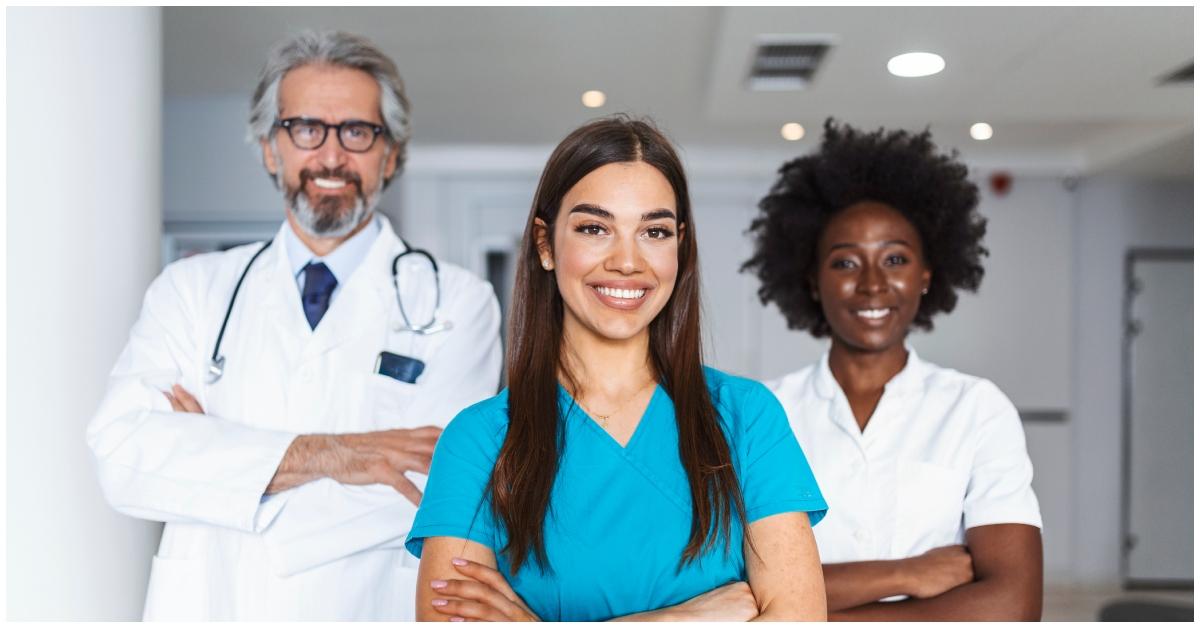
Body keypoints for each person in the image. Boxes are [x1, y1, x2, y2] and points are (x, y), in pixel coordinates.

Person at [86, 30, 502, 621]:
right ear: (269, 148)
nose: (331, 157)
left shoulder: (458, 303)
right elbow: (123, 459)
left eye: (357, 132)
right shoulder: (192, 290)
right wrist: (328, 454)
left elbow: (429, 492)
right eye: (305, 128)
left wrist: (215, 467)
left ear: (392, 153)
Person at [403, 116, 828, 622]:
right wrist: (678, 620)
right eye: (594, 228)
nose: (628, 261)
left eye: (654, 231)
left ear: (679, 247)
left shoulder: (745, 417)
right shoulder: (478, 441)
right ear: (544, 244)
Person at [743, 119, 1044, 620]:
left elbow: (1013, 606)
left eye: (895, 259)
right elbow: (740, 588)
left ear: (926, 276)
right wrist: (906, 574)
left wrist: (808, 614)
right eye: (844, 263)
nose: (872, 284)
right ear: (813, 281)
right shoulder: (764, 413)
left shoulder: (977, 409)